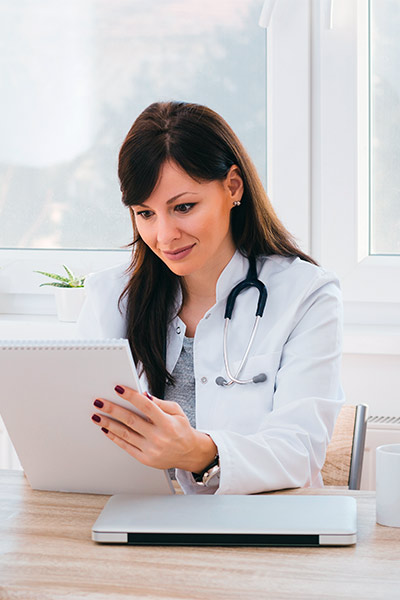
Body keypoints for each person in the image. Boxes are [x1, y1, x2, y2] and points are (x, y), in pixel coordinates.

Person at [80, 101, 344, 495]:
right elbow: (80, 435)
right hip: (135, 522)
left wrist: (198, 452)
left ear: (232, 187)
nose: (164, 235)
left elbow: (299, 450)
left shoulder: (306, 295)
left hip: (253, 535)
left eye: (183, 207)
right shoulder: (112, 296)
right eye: (145, 214)